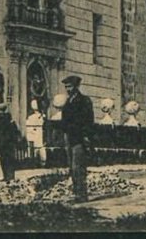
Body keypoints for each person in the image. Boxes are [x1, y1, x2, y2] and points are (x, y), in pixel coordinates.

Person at [60, 74, 94, 202]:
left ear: (77, 86)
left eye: (70, 86)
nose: (68, 89)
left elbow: (88, 121)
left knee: (78, 167)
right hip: (69, 137)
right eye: (66, 87)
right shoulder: (68, 101)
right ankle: (76, 193)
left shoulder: (84, 101)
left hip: (79, 138)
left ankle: (82, 194)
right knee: (71, 167)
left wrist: (86, 136)